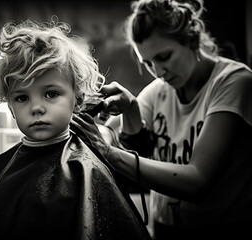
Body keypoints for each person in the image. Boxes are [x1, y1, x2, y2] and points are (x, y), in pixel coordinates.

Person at [0, 18, 151, 240]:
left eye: (51, 94)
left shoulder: (87, 169)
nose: (36, 108)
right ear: (11, 107)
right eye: (22, 97)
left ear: (78, 99)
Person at [72, 0, 252, 239]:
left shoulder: (234, 82)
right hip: (164, 229)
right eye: (147, 63)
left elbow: (198, 181)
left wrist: (108, 152)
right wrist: (129, 111)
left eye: (164, 56)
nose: (158, 71)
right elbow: (116, 137)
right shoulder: (159, 89)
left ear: (192, 40)